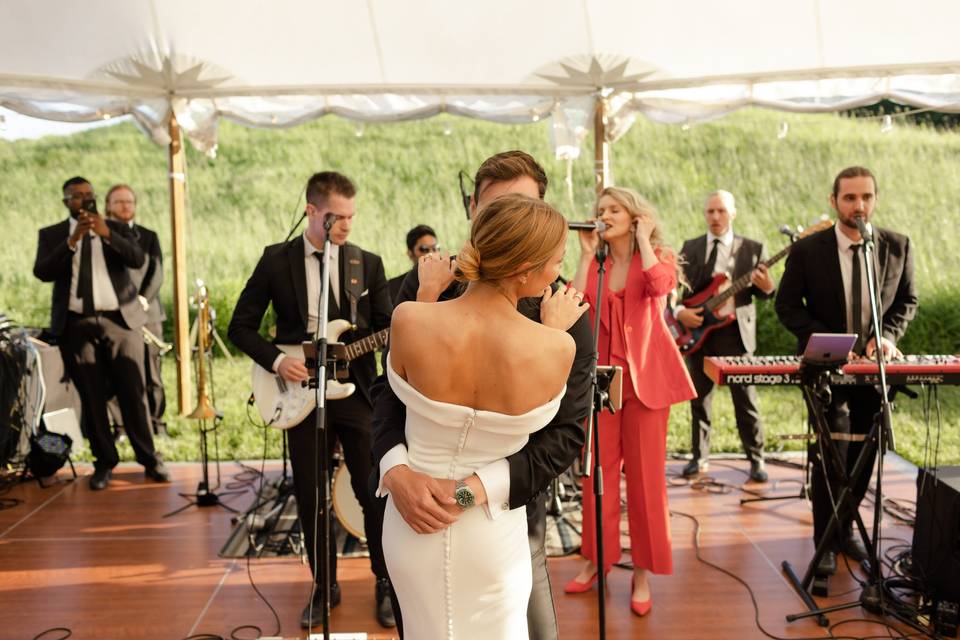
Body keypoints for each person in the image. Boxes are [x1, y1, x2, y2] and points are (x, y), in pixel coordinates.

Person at [372, 150, 592, 640]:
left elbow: (567, 434)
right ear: (475, 210)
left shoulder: (567, 314)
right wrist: (396, 470)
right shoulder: (555, 338)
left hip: (511, 506)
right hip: (423, 509)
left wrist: (468, 490)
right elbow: (384, 394)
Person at [227, 171, 396, 629]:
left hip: (355, 393)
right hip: (299, 395)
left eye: (350, 217)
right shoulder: (275, 260)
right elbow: (239, 326)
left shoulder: (368, 263)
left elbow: (388, 329)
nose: (345, 226)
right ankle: (325, 586)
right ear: (311, 212)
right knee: (310, 495)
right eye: (335, 217)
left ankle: (386, 581)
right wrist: (277, 362)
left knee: (372, 491)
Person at [775, 166, 917, 576]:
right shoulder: (808, 250)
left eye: (866, 197)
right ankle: (826, 541)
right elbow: (786, 306)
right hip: (826, 371)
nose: (859, 205)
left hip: (875, 372)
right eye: (850, 197)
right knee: (830, 456)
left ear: (875, 199)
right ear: (833, 201)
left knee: (863, 454)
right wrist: (824, 340)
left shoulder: (896, 245)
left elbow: (907, 300)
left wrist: (885, 335)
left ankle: (847, 532)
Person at [565, 186, 696, 616]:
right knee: (596, 475)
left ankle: (641, 571)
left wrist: (643, 239)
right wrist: (585, 256)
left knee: (644, 481)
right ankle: (596, 560)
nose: (604, 215)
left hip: (646, 384)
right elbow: (573, 309)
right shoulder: (597, 265)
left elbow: (661, 288)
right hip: (603, 384)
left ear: (634, 215)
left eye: (613, 208)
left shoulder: (657, 258)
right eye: (600, 210)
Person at [33, 176, 170, 490]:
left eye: (89, 194)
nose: (85, 199)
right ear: (67, 201)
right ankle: (104, 462)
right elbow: (42, 272)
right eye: (78, 196)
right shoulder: (52, 234)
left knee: (133, 393)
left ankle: (149, 458)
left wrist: (105, 233)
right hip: (77, 326)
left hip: (120, 322)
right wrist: (72, 242)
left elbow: (138, 258)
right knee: (92, 397)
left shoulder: (118, 227)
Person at [676, 190, 775, 482]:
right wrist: (681, 311)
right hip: (700, 332)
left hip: (736, 334)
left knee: (746, 400)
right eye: (710, 211)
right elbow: (680, 294)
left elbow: (765, 293)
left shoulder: (753, 248)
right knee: (700, 400)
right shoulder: (691, 247)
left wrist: (767, 286)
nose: (715, 217)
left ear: (733, 213)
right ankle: (699, 456)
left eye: (721, 211)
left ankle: (756, 458)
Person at [105, 184, 167, 436]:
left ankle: (157, 424)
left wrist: (143, 298)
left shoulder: (148, 236)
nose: (125, 206)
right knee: (115, 373)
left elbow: (157, 272)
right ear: (108, 205)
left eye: (129, 201)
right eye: (119, 202)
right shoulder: (101, 237)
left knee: (153, 372)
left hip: (147, 312)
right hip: (115, 315)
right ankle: (120, 427)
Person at [388, 225, 439, 303]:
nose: (431, 254)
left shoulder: (450, 282)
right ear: (410, 254)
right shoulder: (393, 287)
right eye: (424, 249)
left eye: (435, 248)